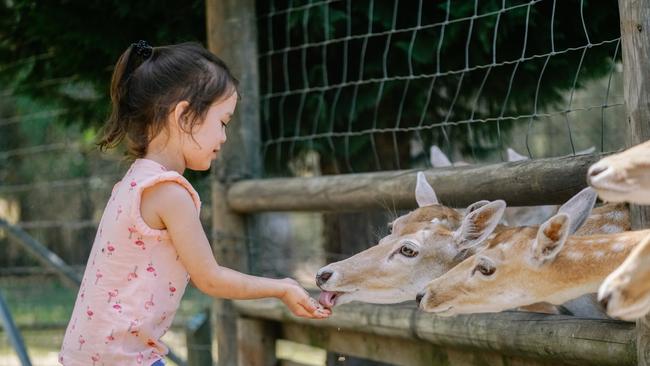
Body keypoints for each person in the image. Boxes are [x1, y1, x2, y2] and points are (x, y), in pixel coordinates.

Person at [59, 40, 330, 366]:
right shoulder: (169, 192)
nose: (224, 137)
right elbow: (210, 278)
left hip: (92, 355)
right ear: (185, 115)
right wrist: (282, 288)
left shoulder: (134, 180)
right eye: (222, 122)